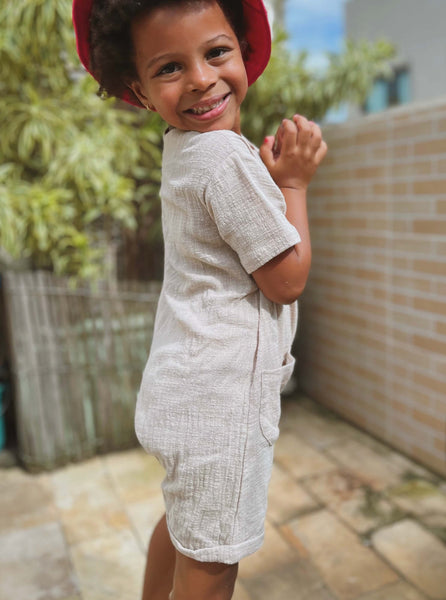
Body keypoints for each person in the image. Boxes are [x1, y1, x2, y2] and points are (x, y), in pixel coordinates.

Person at [72, 0, 327, 598]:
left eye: (215, 52)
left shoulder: (185, 150)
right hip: (221, 402)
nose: (201, 79)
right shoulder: (221, 157)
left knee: (186, 529)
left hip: (185, 390)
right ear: (139, 89)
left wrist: (264, 180)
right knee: (212, 564)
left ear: (241, 50)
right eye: (169, 68)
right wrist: (292, 183)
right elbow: (286, 278)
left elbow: (233, 231)